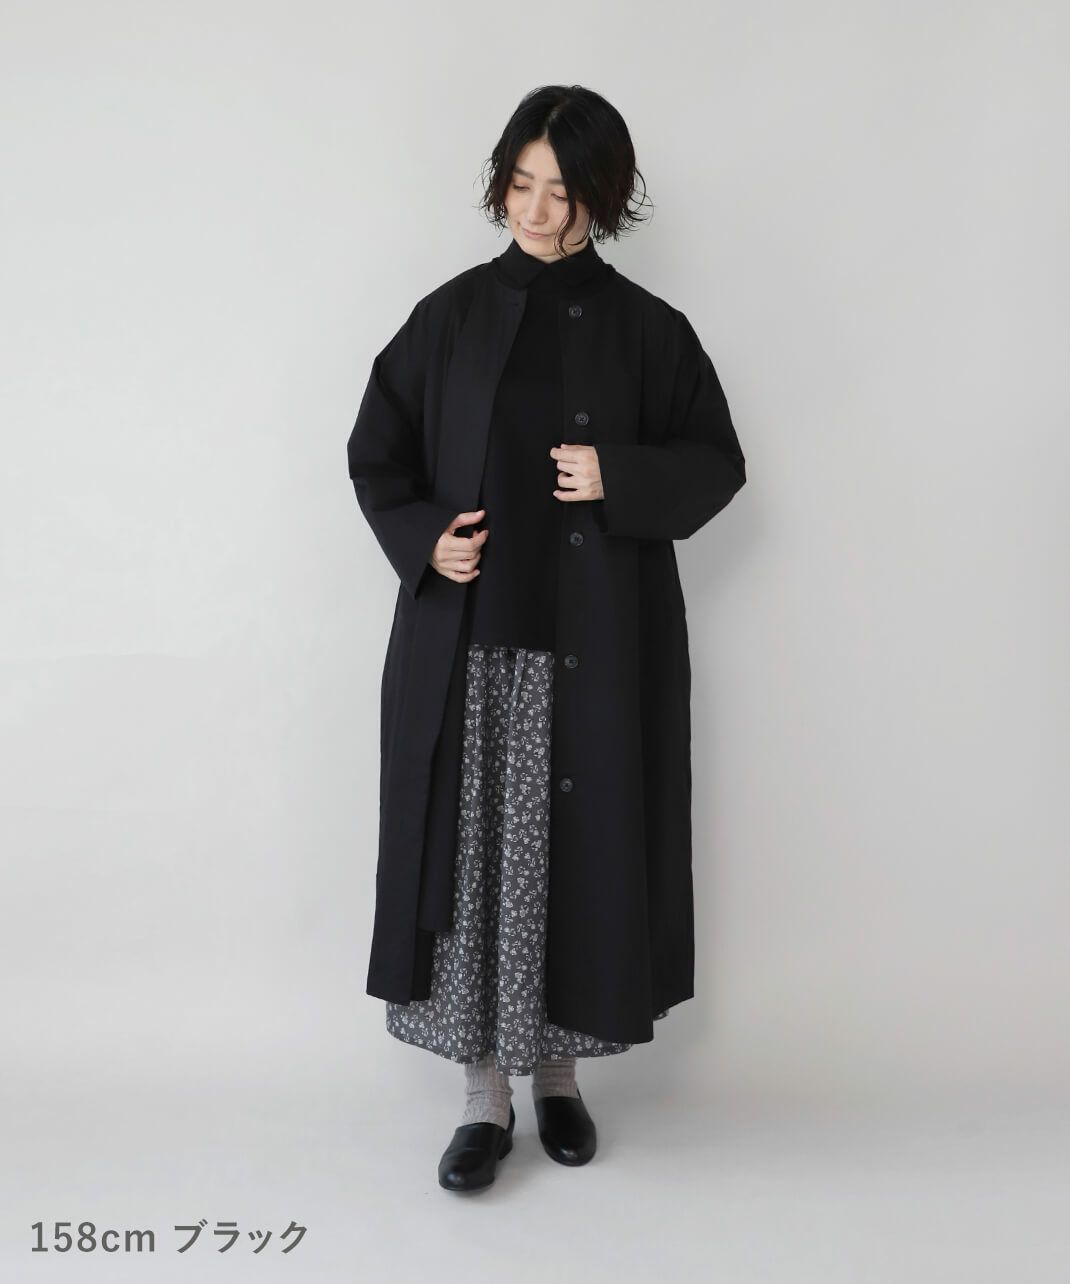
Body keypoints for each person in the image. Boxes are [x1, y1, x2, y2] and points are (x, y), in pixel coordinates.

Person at [347, 84, 746, 1194]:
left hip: (594, 650)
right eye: (519, 184)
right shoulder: (448, 318)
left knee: (573, 865)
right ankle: (483, 1099)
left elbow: (716, 463)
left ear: (600, 197)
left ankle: (559, 1080)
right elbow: (376, 453)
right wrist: (426, 540)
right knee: (474, 871)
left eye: (559, 192)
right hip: (470, 652)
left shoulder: (650, 331)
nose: (533, 208)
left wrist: (618, 474)